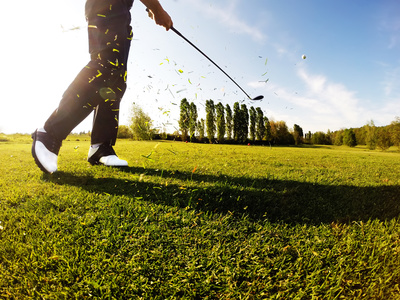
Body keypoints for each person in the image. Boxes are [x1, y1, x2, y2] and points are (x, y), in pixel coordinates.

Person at [31, 0, 173, 174]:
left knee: (116, 81)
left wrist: (152, 8)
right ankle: (50, 133)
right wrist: (157, 9)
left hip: (121, 9)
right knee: (106, 67)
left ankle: (100, 147)